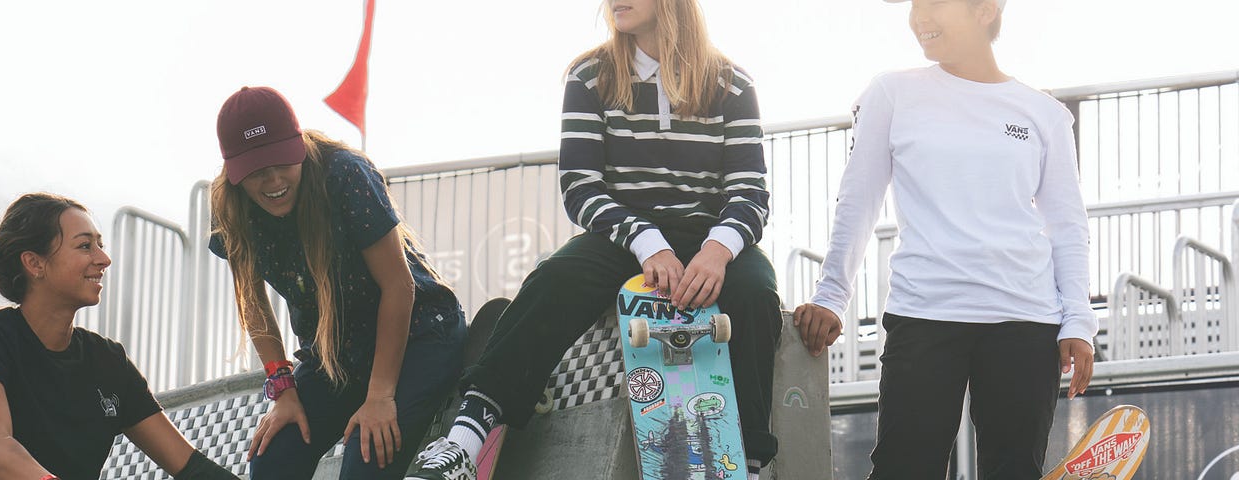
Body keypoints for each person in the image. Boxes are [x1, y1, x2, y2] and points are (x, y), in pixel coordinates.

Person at [407, 0, 781, 478]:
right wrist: (648, 242)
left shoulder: (732, 82)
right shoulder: (590, 76)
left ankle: (745, 464)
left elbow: (750, 191)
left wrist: (718, 249)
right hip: (625, 233)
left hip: (711, 234)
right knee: (554, 278)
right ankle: (464, 439)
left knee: (754, 293)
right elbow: (581, 187)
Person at [791, 0, 1096, 477]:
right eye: (914, 6)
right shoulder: (891, 93)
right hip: (925, 313)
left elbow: (1068, 225)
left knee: (1014, 471)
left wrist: (1077, 319)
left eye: (933, 3)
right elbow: (858, 198)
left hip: (1026, 318)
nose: (919, 18)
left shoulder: (1044, 113)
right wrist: (831, 294)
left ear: (985, 10)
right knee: (903, 469)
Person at [207, 86, 467, 479]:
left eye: (282, 161)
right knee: (271, 458)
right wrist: (284, 389)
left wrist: (380, 396)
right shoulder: (229, 205)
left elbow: (399, 286)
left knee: (366, 456)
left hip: (419, 334)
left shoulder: (344, 172)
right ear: (235, 174)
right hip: (335, 356)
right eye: (258, 172)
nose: (274, 180)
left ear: (298, 146)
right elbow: (253, 305)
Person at [0, 193, 235, 480]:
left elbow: (190, 467)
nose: (104, 259)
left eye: (100, 245)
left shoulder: (108, 361)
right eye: (85, 246)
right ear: (34, 263)